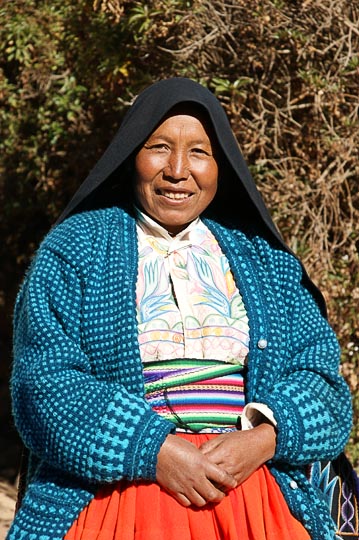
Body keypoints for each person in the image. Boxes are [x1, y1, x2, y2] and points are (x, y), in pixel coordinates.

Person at [8, 77, 352, 540]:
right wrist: (155, 451)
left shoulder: (265, 261)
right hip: (120, 502)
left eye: (198, 152)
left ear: (220, 166)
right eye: (159, 147)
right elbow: (43, 384)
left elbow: (324, 384)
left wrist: (263, 438)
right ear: (132, 156)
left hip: (255, 501)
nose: (177, 170)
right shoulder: (76, 250)